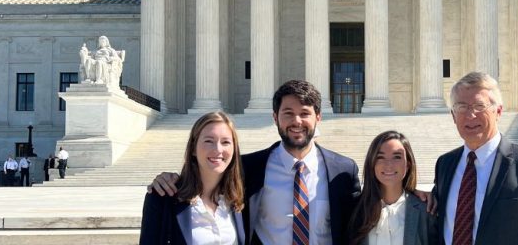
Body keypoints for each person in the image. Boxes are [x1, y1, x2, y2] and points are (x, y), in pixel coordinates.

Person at [152, 79, 361, 244]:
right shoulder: (248, 168)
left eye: (304, 113)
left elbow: (358, 226)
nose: (297, 121)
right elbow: (208, 174)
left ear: (318, 117)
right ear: (275, 117)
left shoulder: (343, 171)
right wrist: (170, 179)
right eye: (288, 113)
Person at [431, 71, 518, 245]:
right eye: (462, 107)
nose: (470, 115)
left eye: (479, 106)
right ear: (453, 116)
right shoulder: (445, 164)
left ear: (498, 112)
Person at [140, 112, 245, 244]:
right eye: (208, 141)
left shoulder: (237, 200)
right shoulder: (162, 197)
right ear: (193, 148)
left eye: (225, 142)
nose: (218, 149)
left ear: (234, 149)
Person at [349, 131, 431, 245]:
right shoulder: (355, 209)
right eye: (380, 157)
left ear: (408, 164)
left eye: (397, 157)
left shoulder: (425, 210)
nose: (388, 164)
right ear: (372, 164)